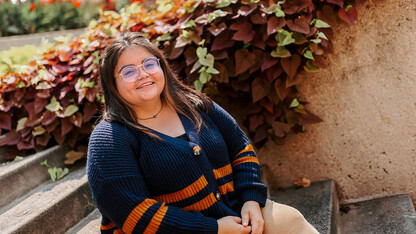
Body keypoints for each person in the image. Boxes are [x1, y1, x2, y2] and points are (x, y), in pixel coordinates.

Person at [87, 31, 319, 234]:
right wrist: (214, 229)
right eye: (128, 72)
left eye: (149, 63)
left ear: (161, 67)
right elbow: (135, 215)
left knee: (290, 221)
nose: (143, 74)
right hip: (180, 231)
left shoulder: (195, 105)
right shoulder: (109, 138)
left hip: (236, 212)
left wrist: (251, 200)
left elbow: (241, 148)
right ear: (112, 84)